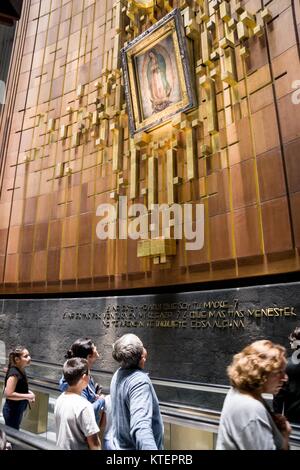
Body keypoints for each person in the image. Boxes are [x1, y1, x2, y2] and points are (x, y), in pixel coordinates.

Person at [216, 340, 291, 450]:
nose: (285, 378)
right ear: (260, 373)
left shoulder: (238, 392)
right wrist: (284, 436)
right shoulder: (251, 408)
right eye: (279, 372)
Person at [110, 333, 163, 450]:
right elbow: (141, 427)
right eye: (142, 347)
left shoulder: (117, 374)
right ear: (140, 358)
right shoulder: (139, 382)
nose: (145, 352)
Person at [55, 357, 101, 450]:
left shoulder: (60, 399)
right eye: (89, 375)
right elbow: (94, 444)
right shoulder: (84, 406)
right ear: (84, 377)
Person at [59, 338, 105, 425]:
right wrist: (101, 400)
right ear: (89, 356)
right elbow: (84, 412)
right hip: (84, 432)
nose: (96, 347)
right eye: (94, 346)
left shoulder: (81, 374)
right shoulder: (80, 382)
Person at [2, 346, 35, 430]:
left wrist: (29, 393)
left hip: (17, 409)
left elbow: (19, 388)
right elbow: (8, 394)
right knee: (12, 438)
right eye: (26, 356)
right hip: (12, 411)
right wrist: (28, 396)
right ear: (17, 359)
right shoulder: (14, 374)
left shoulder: (21, 370)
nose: (29, 358)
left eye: (29, 355)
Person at [273, 327, 300, 424]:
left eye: (292, 340)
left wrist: (277, 420)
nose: (290, 343)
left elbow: (278, 396)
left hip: (294, 419)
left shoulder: (286, 365)